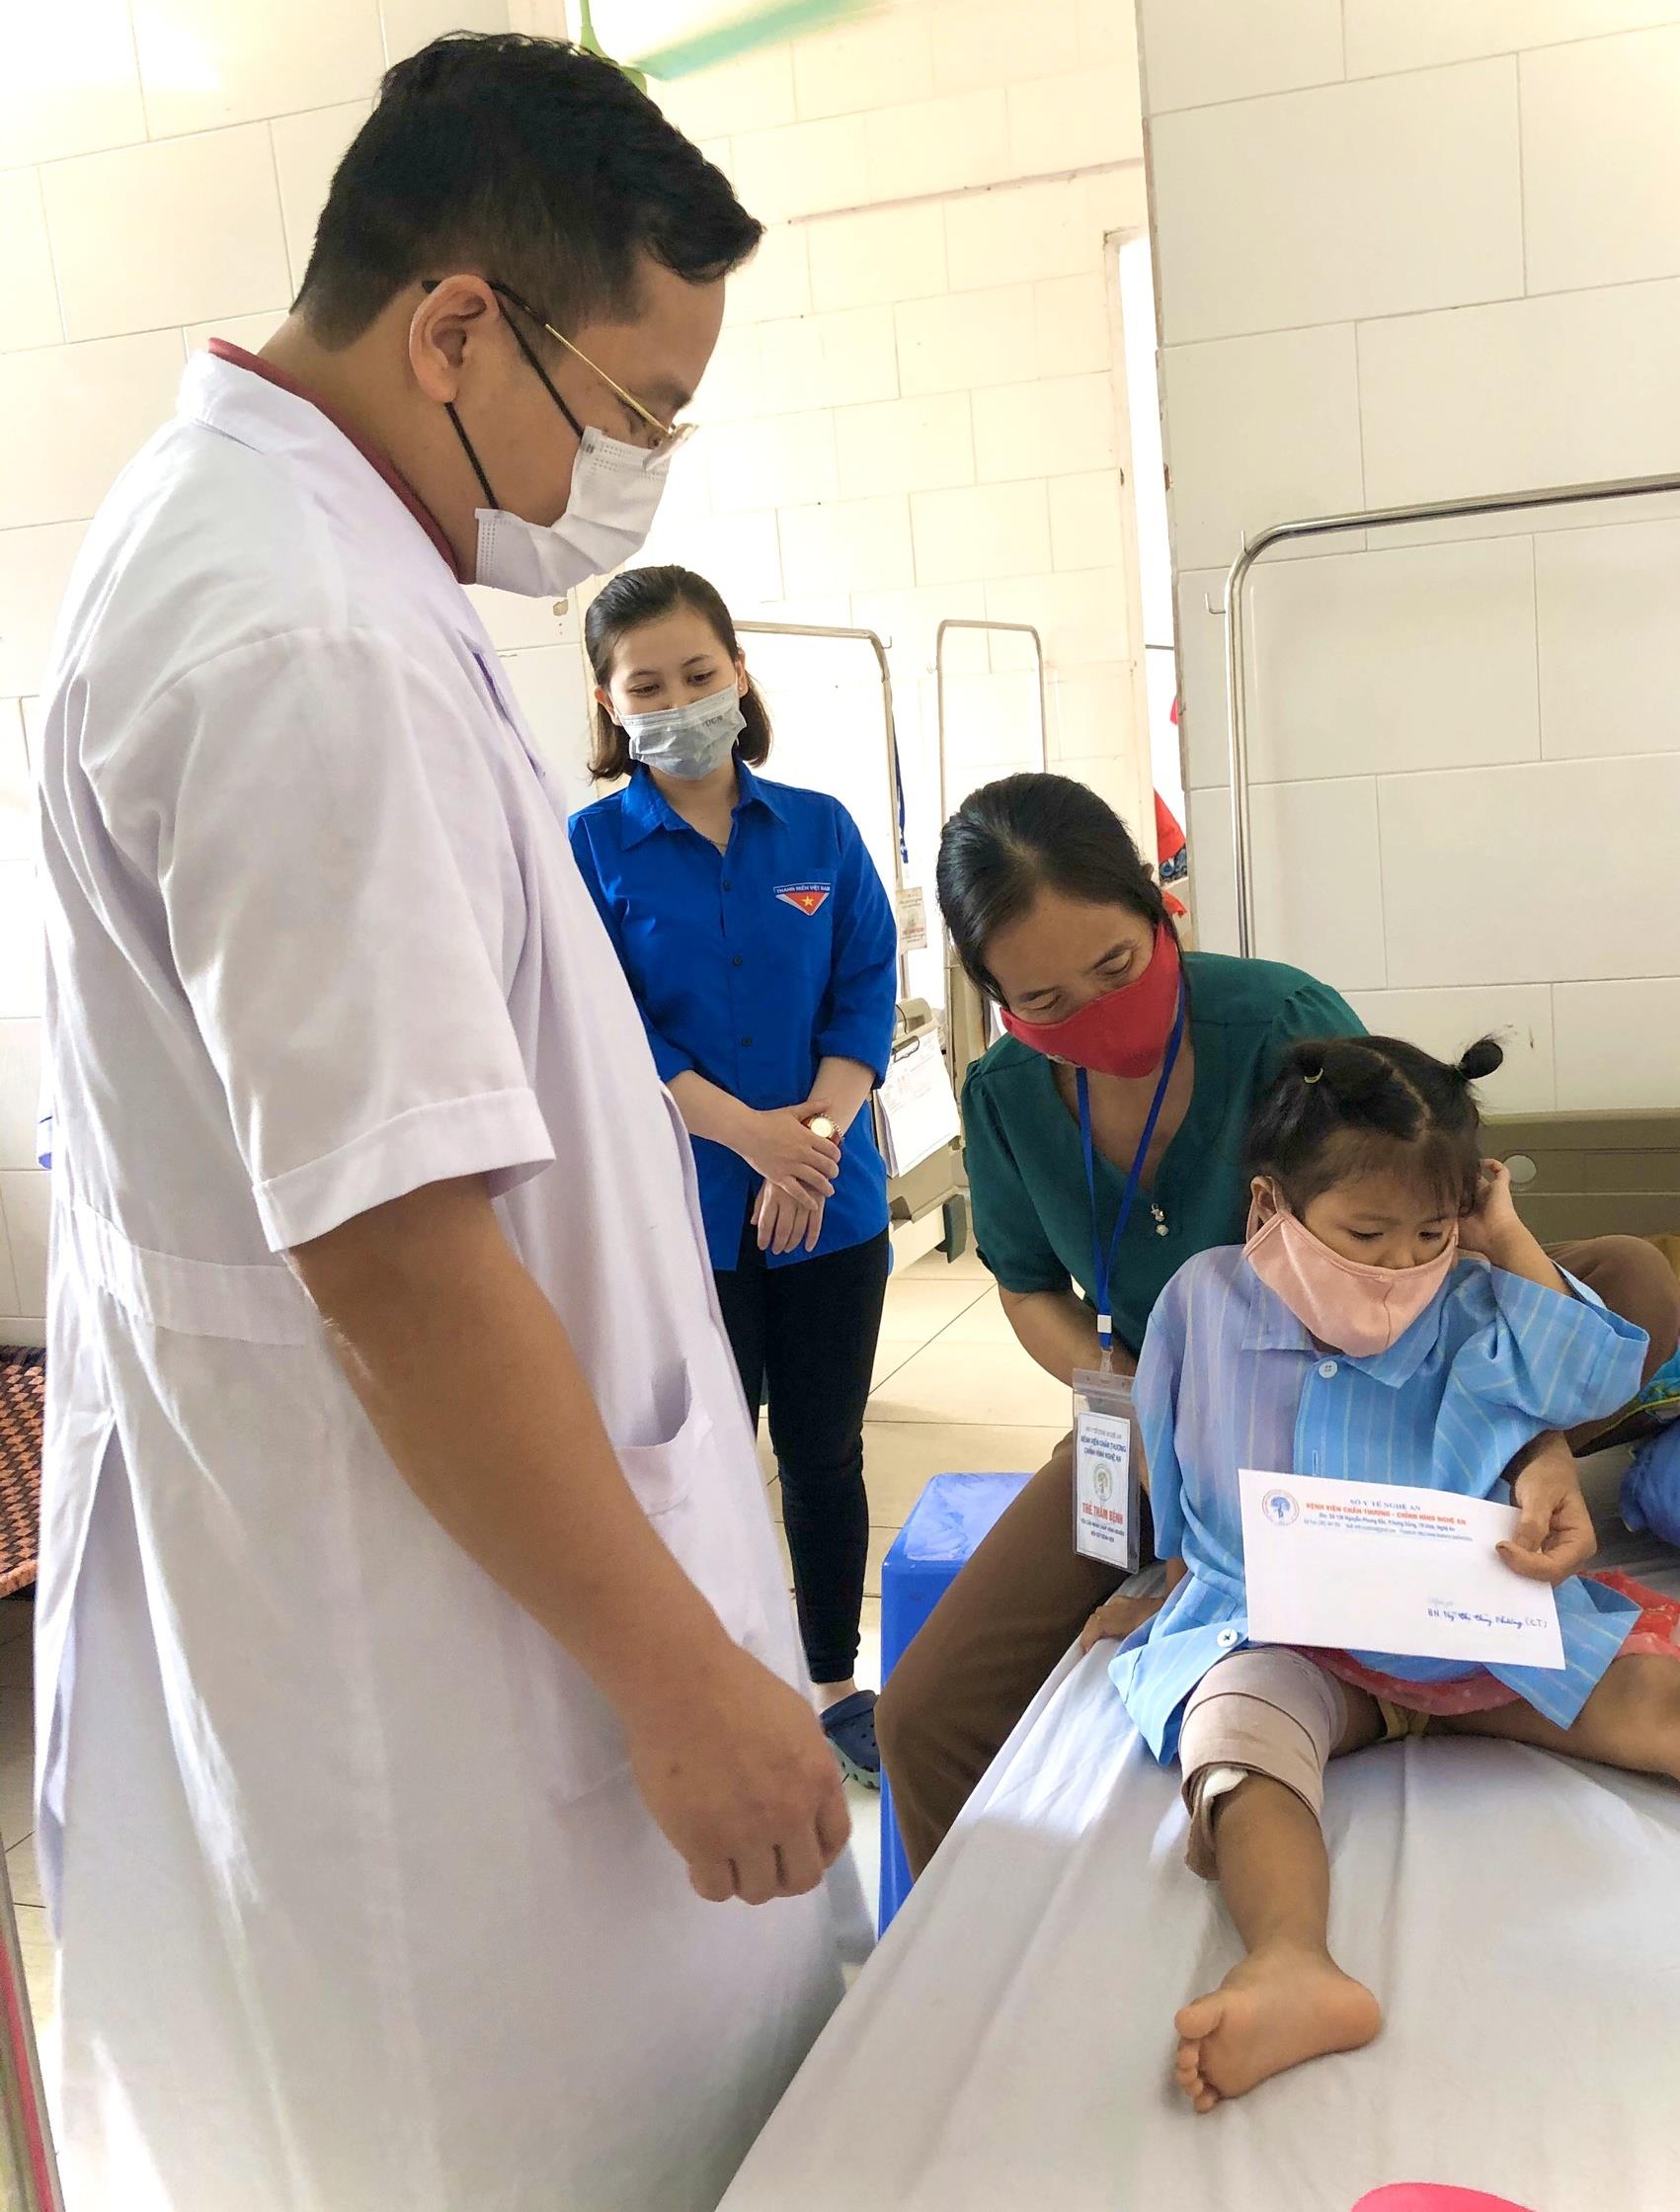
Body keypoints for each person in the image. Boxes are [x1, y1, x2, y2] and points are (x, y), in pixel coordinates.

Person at [35, 36, 860, 2212]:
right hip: (437, 1669)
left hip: (445, 1579)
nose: (634, 480)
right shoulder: (296, 632)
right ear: (458, 327)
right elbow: (394, 1252)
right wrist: (679, 1677)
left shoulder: (298, 544)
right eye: (635, 415)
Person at [875, 773, 1680, 1874]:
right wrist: (1151, 1407)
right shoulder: (1008, 1097)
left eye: (1116, 967)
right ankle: (971, 1951)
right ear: (995, 1000)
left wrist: (1532, 1449)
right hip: (1167, 1395)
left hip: (1393, 1370)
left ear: (1159, 908)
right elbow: (1028, 1290)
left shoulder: (1280, 1024)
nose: (1096, 1012)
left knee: (1631, 1279)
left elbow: (1410, 1215)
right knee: (923, 1714)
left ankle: (1472, 1504)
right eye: (1047, 1003)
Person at [1115, 1034, 1680, 2111]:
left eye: (1429, 1233)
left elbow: (1596, 1373)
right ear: (1272, 1204)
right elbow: (1168, 1462)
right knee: (1235, 1745)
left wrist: (1497, 1232)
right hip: (1283, 1633)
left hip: (1470, 1627)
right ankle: (1292, 1961)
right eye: (1365, 1235)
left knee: (1647, 1696)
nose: (1397, 1267)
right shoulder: (1200, 1303)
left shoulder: (1474, 1302)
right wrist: (1161, 1597)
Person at [570, 566, 898, 1784]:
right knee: (697, 1459)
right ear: (609, 704)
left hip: (831, 1207)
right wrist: (752, 1141)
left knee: (824, 1453)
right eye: (647, 685)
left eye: (699, 674)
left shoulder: (820, 831)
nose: (678, 703)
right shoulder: (587, 851)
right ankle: (712, 1683)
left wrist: (808, 1147)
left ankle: (833, 1682)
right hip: (681, 1217)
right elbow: (608, 1027)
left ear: (740, 674)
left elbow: (862, 995)